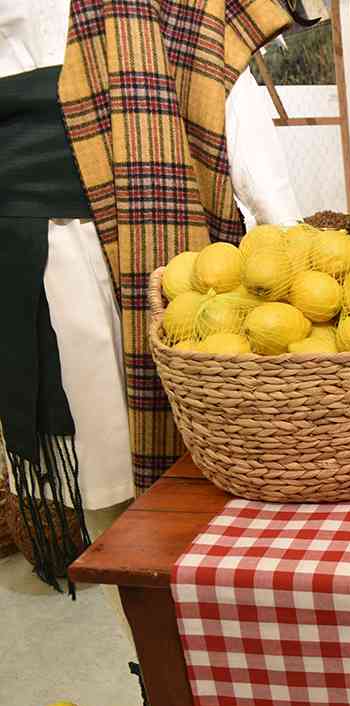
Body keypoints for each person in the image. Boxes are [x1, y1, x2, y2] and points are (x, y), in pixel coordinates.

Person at [0, 0, 300, 589]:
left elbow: (226, 95)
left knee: (212, 471)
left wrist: (287, 239)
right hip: (37, 268)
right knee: (114, 509)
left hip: (158, 261)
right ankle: (155, 640)